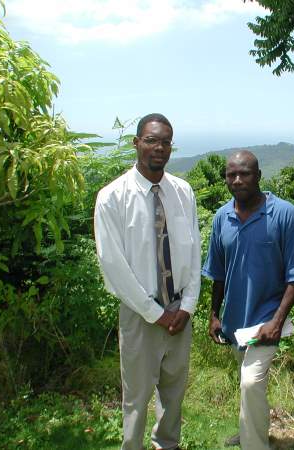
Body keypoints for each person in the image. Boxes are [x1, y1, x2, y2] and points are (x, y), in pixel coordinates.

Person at [94, 113, 200, 450]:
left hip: (180, 313)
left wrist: (188, 306)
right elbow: (113, 266)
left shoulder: (183, 192)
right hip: (140, 317)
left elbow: (195, 252)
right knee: (136, 399)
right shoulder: (112, 197)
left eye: (166, 142)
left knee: (174, 393)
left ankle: (167, 445)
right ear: (136, 143)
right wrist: (155, 313)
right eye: (151, 140)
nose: (159, 148)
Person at [203, 151, 294, 450]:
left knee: (250, 382)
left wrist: (277, 321)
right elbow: (218, 272)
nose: (237, 180)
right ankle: (251, 430)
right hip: (235, 322)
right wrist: (214, 314)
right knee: (249, 384)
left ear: (259, 176)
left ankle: (255, 444)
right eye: (231, 175)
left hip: (267, 319)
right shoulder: (222, 217)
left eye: (245, 174)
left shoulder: (284, 214)